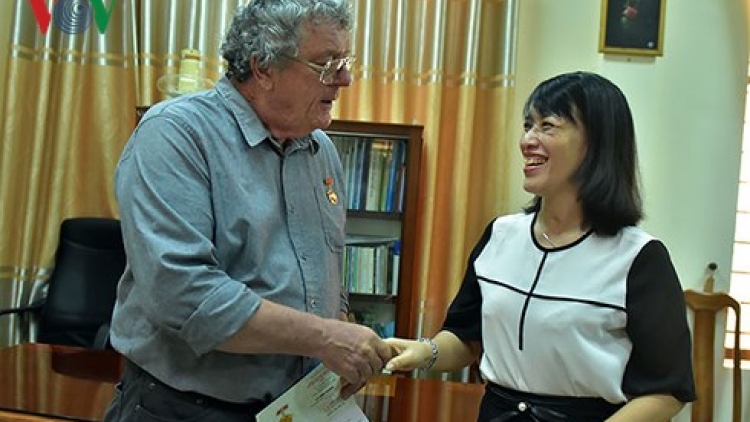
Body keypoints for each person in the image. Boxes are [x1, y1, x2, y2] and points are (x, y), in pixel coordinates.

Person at [103, 1, 392, 421]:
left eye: (345, 62)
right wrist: (327, 338)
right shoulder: (177, 134)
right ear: (263, 68)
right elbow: (183, 295)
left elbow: (327, 274)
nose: (345, 79)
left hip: (293, 408)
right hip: (184, 410)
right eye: (326, 64)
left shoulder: (321, 151)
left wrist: (343, 345)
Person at [385, 71, 695, 422]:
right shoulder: (500, 235)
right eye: (527, 125)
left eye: (547, 126)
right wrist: (425, 351)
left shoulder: (639, 258)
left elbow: (666, 391)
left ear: (597, 143)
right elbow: (466, 337)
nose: (527, 140)